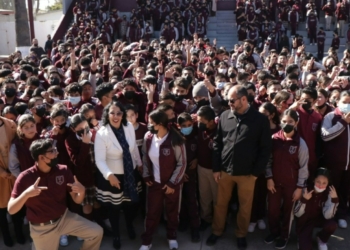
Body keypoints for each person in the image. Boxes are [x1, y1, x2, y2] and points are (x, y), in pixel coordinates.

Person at [206, 85, 272, 249]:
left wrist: (256, 173)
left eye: (232, 100)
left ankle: (241, 234)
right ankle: (217, 231)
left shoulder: (260, 120)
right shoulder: (224, 116)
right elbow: (217, 144)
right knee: (220, 204)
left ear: (244, 99)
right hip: (224, 172)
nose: (229, 103)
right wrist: (216, 168)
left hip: (248, 174)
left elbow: (265, 149)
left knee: (245, 206)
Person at [8, 138, 103, 250]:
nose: (56, 153)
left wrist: (82, 191)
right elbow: (11, 209)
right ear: (41, 157)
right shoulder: (25, 177)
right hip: (42, 228)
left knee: (96, 232)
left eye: (55, 149)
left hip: (64, 218)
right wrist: (26, 194)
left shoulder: (63, 170)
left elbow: (77, 200)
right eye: (52, 151)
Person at [94, 101, 142, 249]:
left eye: (119, 113)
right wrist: (109, 175)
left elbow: (133, 149)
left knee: (129, 204)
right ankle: (116, 234)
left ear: (123, 114)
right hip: (113, 176)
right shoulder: (102, 133)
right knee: (114, 207)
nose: (116, 116)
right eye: (112, 113)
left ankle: (129, 225)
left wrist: (139, 164)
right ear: (107, 115)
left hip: (130, 173)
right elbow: (100, 160)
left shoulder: (128, 127)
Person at [140, 109, 186, 250]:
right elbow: (145, 157)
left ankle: (172, 237)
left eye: (151, 123)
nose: (149, 126)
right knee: (152, 212)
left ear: (160, 124)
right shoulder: (148, 137)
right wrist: (146, 174)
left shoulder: (175, 139)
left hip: (172, 185)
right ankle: (147, 241)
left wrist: (173, 182)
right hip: (155, 184)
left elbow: (182, 162)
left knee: (172, 212)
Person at [264, 109, 309, 249]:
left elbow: (303, 167)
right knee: (272, 210)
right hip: (274, 183)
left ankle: (284, 236)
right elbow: (267, 161)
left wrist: (300, 187)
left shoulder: (301, 144)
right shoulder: (274, 139)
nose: (287, 124)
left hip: (292, 184)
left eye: (290, 122)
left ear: (296, 123)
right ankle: (274, 232)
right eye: (284, 121)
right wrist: (269, 178)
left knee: (288, 212)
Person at [248, 102, 280, 233]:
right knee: (254, 194)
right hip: (257, 167)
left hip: (273, 169)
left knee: (265, 195)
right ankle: (253, 219)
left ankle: (261, 217)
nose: (260, 116)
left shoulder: (279, 130)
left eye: (264, 114)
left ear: (272, 115)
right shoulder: (257, 127)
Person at [321, 90, 350, 229]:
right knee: (331, 190)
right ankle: (328, 216)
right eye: (345, 102)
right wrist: (343, 123)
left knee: (345, 191)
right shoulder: (330, 117)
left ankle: (341, 215)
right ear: (337, 102)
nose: (348, 105)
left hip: (348, 166)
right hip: (333, 164)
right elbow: (325, 136)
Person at [294, 168, 339, 250]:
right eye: (318, 182)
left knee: (332, 225)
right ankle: (301, 236)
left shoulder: (329, 193)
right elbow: (297, 213)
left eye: (324, 183)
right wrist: (304, 200)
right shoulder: (306, 189)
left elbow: (328, 216)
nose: (320, 185)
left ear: (328, 183)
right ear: (314, 180)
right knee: (305, 247)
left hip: (320, 219)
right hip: (305, 222)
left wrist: (334, 201)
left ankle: (321, 239)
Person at [0, 116, 25, 247]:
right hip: (1, 177)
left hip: (14, 173)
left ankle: (19, 233)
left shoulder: (9, 124)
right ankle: (6, 236)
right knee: (1, 211)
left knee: (17, 206)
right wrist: (2, 173)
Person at [177, 112, 200, 242]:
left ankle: (195, 227)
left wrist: (196, 159)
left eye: (189, 125)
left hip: (192, 175)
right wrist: (180, 173)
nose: (187, 127)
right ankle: (183, 221)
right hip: (179, 175)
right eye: (184, 125)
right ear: (179, 126)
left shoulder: (196, 137)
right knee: (181, 201)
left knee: (192, 200)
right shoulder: (176, 138)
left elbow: (201, 152)